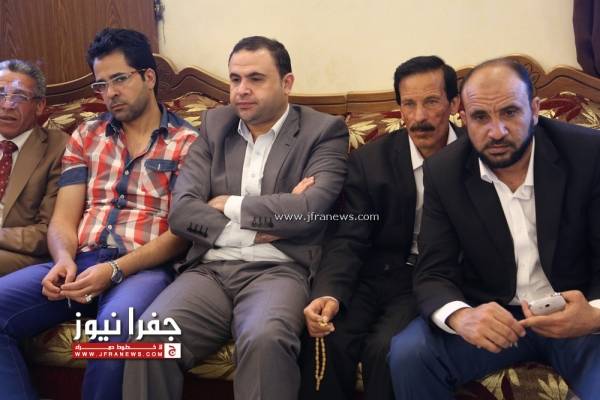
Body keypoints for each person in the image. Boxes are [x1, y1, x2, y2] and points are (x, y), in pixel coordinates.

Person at [123, 36, 349, 400]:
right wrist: (259, 229)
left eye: (255, 79)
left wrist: (226, 203)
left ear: (287, 83)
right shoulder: (215, 125)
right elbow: (182, 212)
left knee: (264, 339)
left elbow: (308, 211)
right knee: (149, 339)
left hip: (280, 269)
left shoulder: (323, 131)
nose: (242, 90)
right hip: (210, 270)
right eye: (235, 79)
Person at [0, 28, 198, 400]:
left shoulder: (188, 143)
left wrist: (115, 270)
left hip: (143, 267)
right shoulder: (86, 136)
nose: (110, 93)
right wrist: (63, 259)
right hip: (81, 259)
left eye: (119, 79)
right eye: (101, 85)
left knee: (115, 331)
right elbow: (63, 218)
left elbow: (180, 234)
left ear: (148, 77)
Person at [388, 58, 600, 400]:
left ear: (535, 110)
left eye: (510, 112)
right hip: (495, 315)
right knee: (410, 353)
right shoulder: (444, 171)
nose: (496, 131)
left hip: (577, 314)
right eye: (480, 117)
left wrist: (594, 315)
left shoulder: (588, 153)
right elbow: (433, 271)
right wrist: (461, 317)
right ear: (463, 118)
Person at [299, 56, 462, 400]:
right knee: (326, 335)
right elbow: (348, 236)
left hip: (438, 276)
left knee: (385, 348)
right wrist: (328, 293)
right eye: (409, 104)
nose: (419, 116)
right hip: (377, 273)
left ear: (454, 104)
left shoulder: (476, 157)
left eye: (431, 102)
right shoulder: (371, 160)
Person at [0, 60, 67, 274]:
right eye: (1, 94)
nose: (7, 105)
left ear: (39, 105)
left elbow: (49, 232)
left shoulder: (59, 148)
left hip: (22, 255)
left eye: (19, 96)